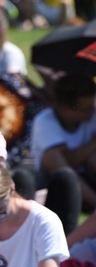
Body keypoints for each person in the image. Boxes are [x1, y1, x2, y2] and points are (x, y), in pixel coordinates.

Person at [31, 74, 94, 235]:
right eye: (86, 109)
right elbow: (62, 166)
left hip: (86, 180)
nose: (92, 111)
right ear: (66, 110)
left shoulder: (92, 116)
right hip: (53, 187)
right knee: (66, 177)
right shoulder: (45, 122)